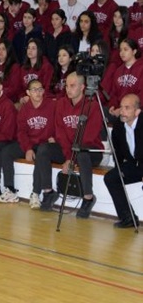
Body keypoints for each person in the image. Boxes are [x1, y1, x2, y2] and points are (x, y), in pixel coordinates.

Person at [43, 72, 103, 217]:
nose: (68, 89)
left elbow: (88, 138)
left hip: (90, 150)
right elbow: (60, 133)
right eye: (66, 85)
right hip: (68, 150)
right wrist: (69, 157)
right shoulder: (61, 104)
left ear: (82, 87)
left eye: (72, 85)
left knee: (82, 155)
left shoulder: (92, 106)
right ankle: (48, 192)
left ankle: (88, 198)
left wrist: (72, 159)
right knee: (43, 149)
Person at [0, 79, 56, 205]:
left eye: (40, 89)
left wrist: (54, 137)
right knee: (6, 151)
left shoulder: (52, 106)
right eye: (34, 90)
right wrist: (28, 148)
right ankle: (10, 190)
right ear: (28, 92)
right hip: (30, 142)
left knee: (41, 154)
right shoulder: (24, 109)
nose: (38, 92)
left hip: (44, 144)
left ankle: (35, 193)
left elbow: (59, 124)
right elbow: (21, 132)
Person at [104, 94, 143, 228]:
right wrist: (119, 169)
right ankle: (128, 218)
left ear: (137, 112)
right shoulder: (118, 126)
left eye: (127, 108)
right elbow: (118, 153)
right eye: (121, 107)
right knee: (111, 178)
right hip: (134, 164)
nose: (122, 111)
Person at [108, 39, 143, 116]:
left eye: (126, 49)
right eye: (120, 50)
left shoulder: (141, 68)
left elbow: (141, 95)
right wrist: (113, 106)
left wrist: (123, 109)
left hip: (136, 110)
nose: (122, 53)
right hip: (119, 109)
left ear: (134, 51)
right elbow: (114, 93)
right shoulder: (118, 71)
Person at [18, 38, 53, 106]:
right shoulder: (23, 68)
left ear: (39, 50)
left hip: (42, 100)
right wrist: (21, 98)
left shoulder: (46, 66)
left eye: (33, 48)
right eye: (28, 48)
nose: (30, 50)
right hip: (26, 100)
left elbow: (47, 88)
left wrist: (32, 97)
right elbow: (20, 88)